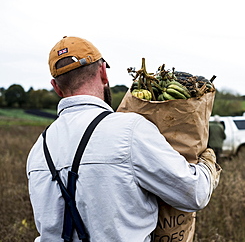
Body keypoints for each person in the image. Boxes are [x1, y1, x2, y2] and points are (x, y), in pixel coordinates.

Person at [26, 36, 220, 242]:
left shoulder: (38, 149)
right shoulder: (129, 130)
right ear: (103, 72)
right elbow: (194, 193)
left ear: (56, 87)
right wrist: (207, 160)